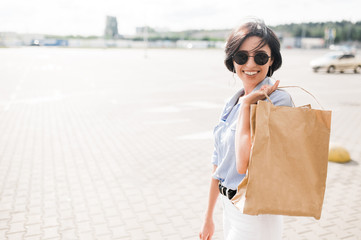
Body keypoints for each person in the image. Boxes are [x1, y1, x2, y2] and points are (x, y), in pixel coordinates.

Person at [199, 18, 293, 240]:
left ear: (272, 61)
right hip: (228, 206)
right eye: (242, 56)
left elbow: (244, 164)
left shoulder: (278, 102)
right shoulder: (232, 102)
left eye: (260, 57)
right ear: (232, 61)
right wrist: (208, 216)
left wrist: (247, 106)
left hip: (255, 212)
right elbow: (218, 163)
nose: (250, 64)